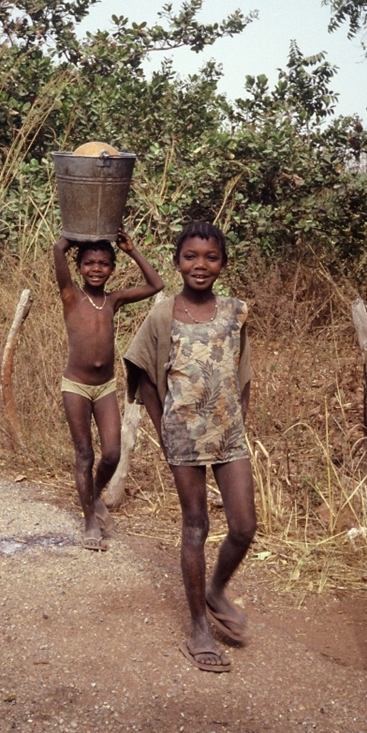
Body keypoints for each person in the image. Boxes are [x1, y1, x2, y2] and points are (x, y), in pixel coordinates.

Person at [124, 221, 256, 672]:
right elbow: (144, 376)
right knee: (196, 524)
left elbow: (242, 373)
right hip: (182, 430)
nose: (201, 265)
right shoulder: (163, 313)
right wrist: (164, 433)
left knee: (243, 526)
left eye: (211, 257)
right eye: (191, 257)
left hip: (229, 431)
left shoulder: (236, 311)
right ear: (177, 260)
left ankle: (216, 588)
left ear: (223, 262)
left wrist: (240, 420)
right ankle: (198, 628)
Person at [53, 228, 164, 551]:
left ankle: (93, 495)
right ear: (79, 267)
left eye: (103, 263)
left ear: (112, 268)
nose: (96, 269)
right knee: (84, 454)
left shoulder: (113, 300)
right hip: (75, 386)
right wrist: (77, 232)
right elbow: (58, 250)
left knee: (112, 452)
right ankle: (90, 521)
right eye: (89, 263)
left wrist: (132, 250)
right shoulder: (71, 295)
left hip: (104, 388)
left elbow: (156, 285)